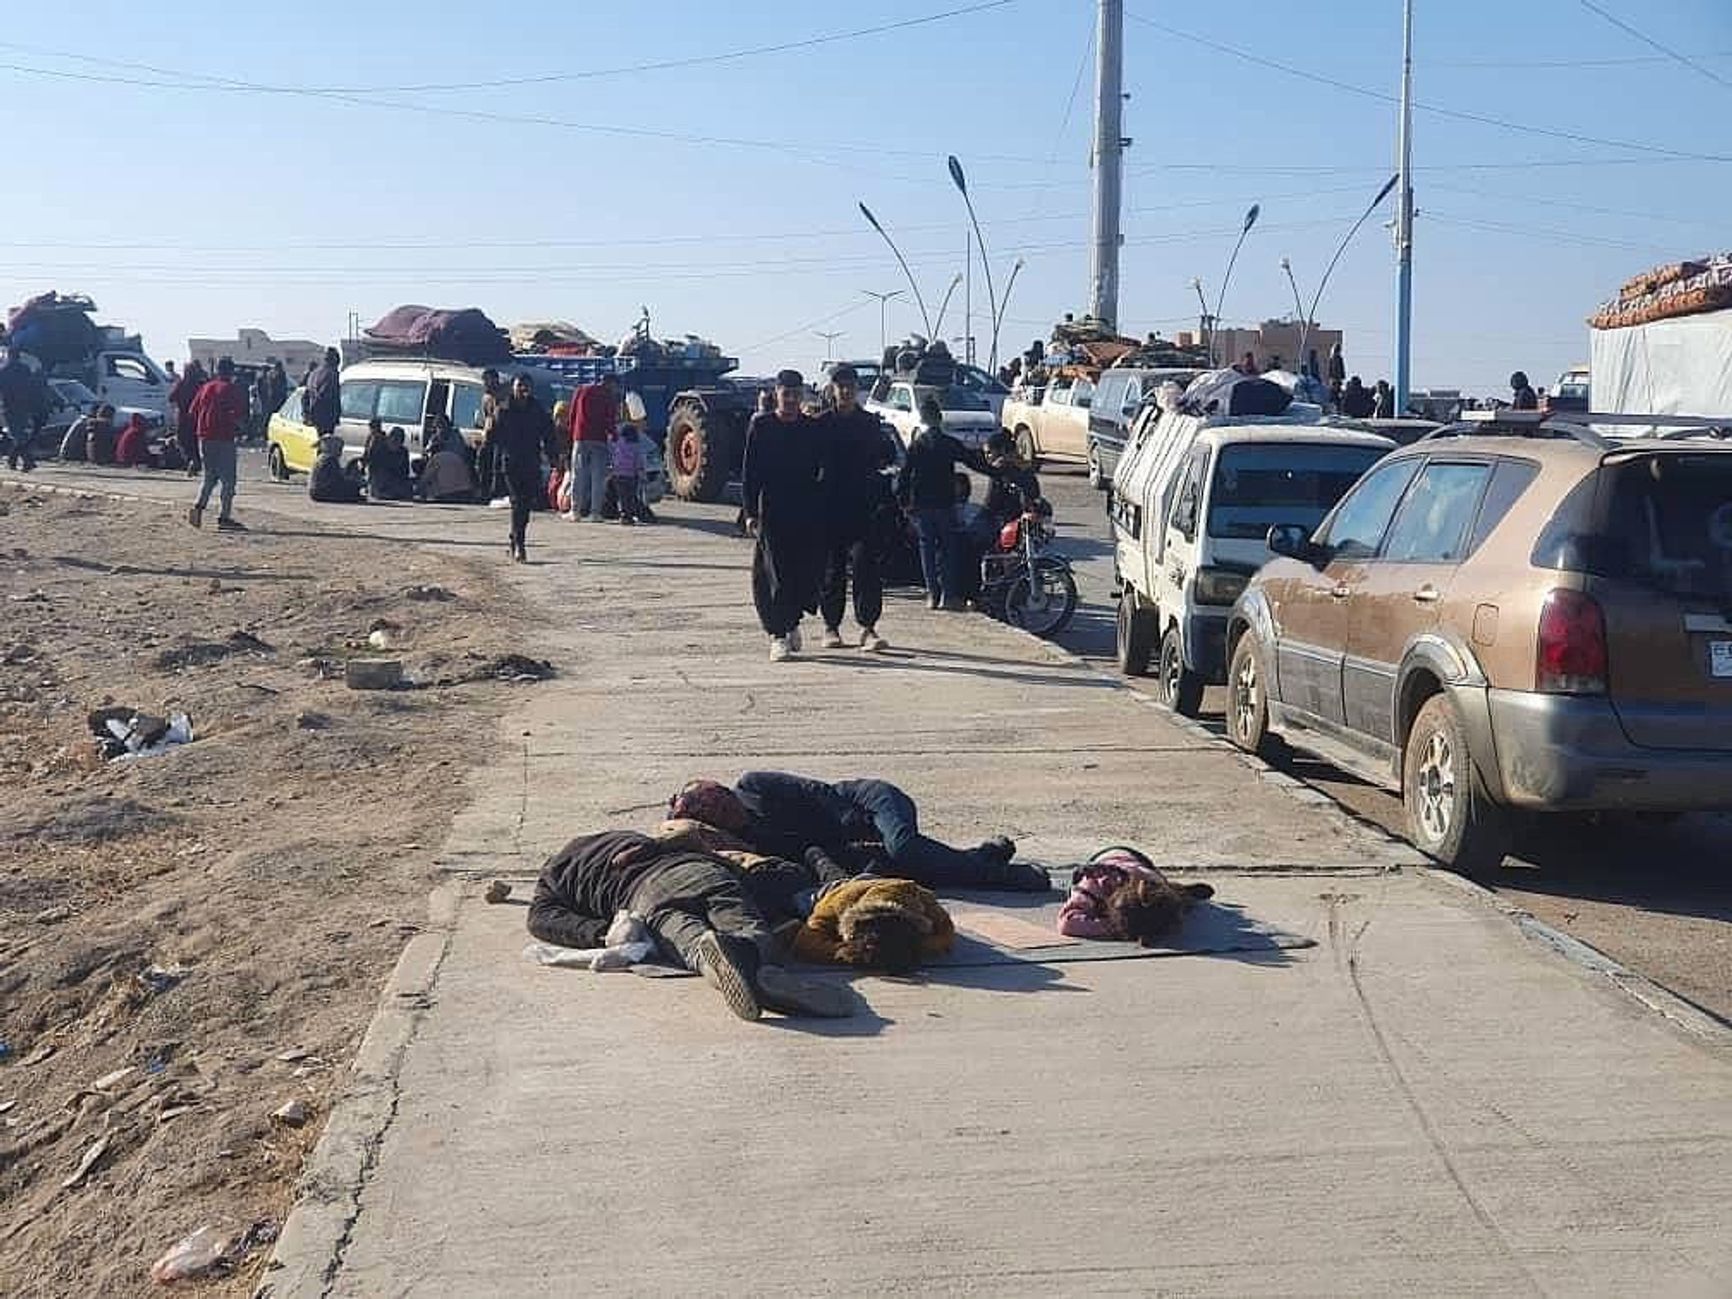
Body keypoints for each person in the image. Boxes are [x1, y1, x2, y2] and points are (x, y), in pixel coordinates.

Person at [525, 829, 853, 1021]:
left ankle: (717, 958)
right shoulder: (628, 837)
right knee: (751, 932)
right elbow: (691, 837)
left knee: (691, 945)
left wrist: (602, 931)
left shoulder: (554, 876)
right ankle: (760, 962)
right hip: (702, 871)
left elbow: (541, 920)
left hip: (646, 896)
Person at [669, 773, 1049, 892]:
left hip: (868, 804)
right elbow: (809, 856)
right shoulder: (749, 842)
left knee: (902, 847)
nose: (727, 806)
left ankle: (1002, 876)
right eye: (717, 811)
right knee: (903, 872)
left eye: (721, 798)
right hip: (845, 843)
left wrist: (857, 828)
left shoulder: (754, 786)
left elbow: (820, 795)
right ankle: (980, 856)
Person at [742, 369, 826, 661]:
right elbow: (750, 473)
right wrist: (750, 512)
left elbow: (823, 470)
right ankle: (777, 634)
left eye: (795, 394)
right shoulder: (762, 427)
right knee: (772, 572)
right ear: (776, 394)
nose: (790, 400)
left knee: (802, 572)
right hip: (772, 510)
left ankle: (792, 622)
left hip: (806, 510)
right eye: (785, 394)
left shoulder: (812, 428)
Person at [817, 364, 891, 653]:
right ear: (832, 390)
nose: (846, 392)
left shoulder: (870, 423)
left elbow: (886, 458)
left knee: (866, 567)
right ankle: (830, 627)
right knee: (831, 570)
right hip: (830, 506)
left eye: (850, 386)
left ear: (857, 390)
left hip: (863, 506)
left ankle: (868, 628)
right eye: (840, 386)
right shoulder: (820, 424)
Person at [897, 395, 993, 611]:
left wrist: (904, 501)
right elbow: (973, 461)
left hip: (922, 506)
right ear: (939, 418)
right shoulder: (948, 443)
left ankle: (932, 593)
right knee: (948, 550)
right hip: (945, 504)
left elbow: (904, 475)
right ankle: (948, 595)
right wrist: (996, 471)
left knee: (927, 550)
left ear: (922, 418)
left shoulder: (917, 445)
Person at [789, 876, 955, 973]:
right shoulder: (836, 904)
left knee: (829, 867)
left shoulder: (922, 900)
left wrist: (924, 946)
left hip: (878, 880)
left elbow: (946, 931)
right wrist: (843, 952)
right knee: (800, 896)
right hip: (836, 888)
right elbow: (803, 942)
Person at [1057, 846, 1214, 943]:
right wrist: (1116, 929)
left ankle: (1181, 893)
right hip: (1110, 860)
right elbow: (1067, 923)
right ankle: (1181, 895)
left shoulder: (1150, 881)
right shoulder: (1091, 884)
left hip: (1137, 863)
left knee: (1169, 901)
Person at [485, 373, 559, 562]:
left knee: (525, 504)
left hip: (531, 461)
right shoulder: (503, 409)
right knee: (517, 501)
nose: (523, 390)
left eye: (527, 386)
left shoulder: (537, 409)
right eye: (520, 386)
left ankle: (514, 538)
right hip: (511, 462)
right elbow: (491, 439)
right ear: (513, 387)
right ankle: (520, 544)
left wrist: (553, 457)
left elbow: (549, 434)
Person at [186, 358, 248, 531]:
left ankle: (198, 508)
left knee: (209, 476)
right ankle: (224, 516)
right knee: (228, 480)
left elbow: (192, 411)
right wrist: (241, 428)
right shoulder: (231, 389)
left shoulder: (206, 387)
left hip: (204, 437)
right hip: (223, 437)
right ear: (231, 372)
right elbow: (238, 415)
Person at [564, 373, 620, 522]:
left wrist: (570, 433)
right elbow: (610, 420)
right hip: (599, 439)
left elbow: (572, 413)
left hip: (580, 437)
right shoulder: (608, 397)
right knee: (598, 477)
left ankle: (575, 511)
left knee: (578, 474)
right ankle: (595, 512)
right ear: (610, 383)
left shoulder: (581, 390)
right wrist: (614, 436)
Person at [0, 350, 49, 472]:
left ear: (8, 357)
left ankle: (27, 461)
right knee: (19, 434)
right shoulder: (25, 369)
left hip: (9, 406)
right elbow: (31, 387)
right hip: (24, 406)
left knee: (17, 434)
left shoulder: (4, 371)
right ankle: (13, 460)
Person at [418, 416, 477, 503]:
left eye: (438, 427)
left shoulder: (440, 456)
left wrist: (417, 491)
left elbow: (425, 479)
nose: (437, 430)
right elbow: (426, 452)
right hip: (465, 489)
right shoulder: (439, 439)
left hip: (447, 493)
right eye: (435, 428)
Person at [167, 358, 207, 475]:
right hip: (195, 418)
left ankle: (193, 462)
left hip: (183, 417)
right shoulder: (199, 385)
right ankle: (195, 462)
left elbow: (171, 398)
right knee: (192, 442)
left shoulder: (182, 384)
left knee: (183, 441)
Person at [608, 423, 648, 524]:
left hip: (618, 474)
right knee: (631, 496)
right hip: (631, 476)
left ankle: (623, 515)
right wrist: (641, 472)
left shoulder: (617, 444)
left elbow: (611, 452)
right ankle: (630, 514)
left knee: (621, 496)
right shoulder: (636, 446)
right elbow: (639, 461)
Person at [308, 433, 365, 504]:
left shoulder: (323, 457)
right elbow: (337, 478)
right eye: (339, 448)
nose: (340, 451)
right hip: (321, 492)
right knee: (352, 486)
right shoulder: (329, 459)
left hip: (316, 491)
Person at [305, 347, 342, 441]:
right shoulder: (331, 374)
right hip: (327, 417)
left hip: (315, 417)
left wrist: (308, 414)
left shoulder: (314, 373)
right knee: (327, 447)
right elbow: (326, 396)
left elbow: (305, 396)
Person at [1326, 343, 1347, 410]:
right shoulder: (1338, 358)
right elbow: (1341, 369)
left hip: (1334, 380)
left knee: (1334, 394)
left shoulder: (1332, 358)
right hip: (1336, 380)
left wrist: (1331, 378)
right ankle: (1337, 407)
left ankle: (1335, 406)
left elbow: (1330, 370)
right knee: (1337, 394)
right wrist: (1341, 377)